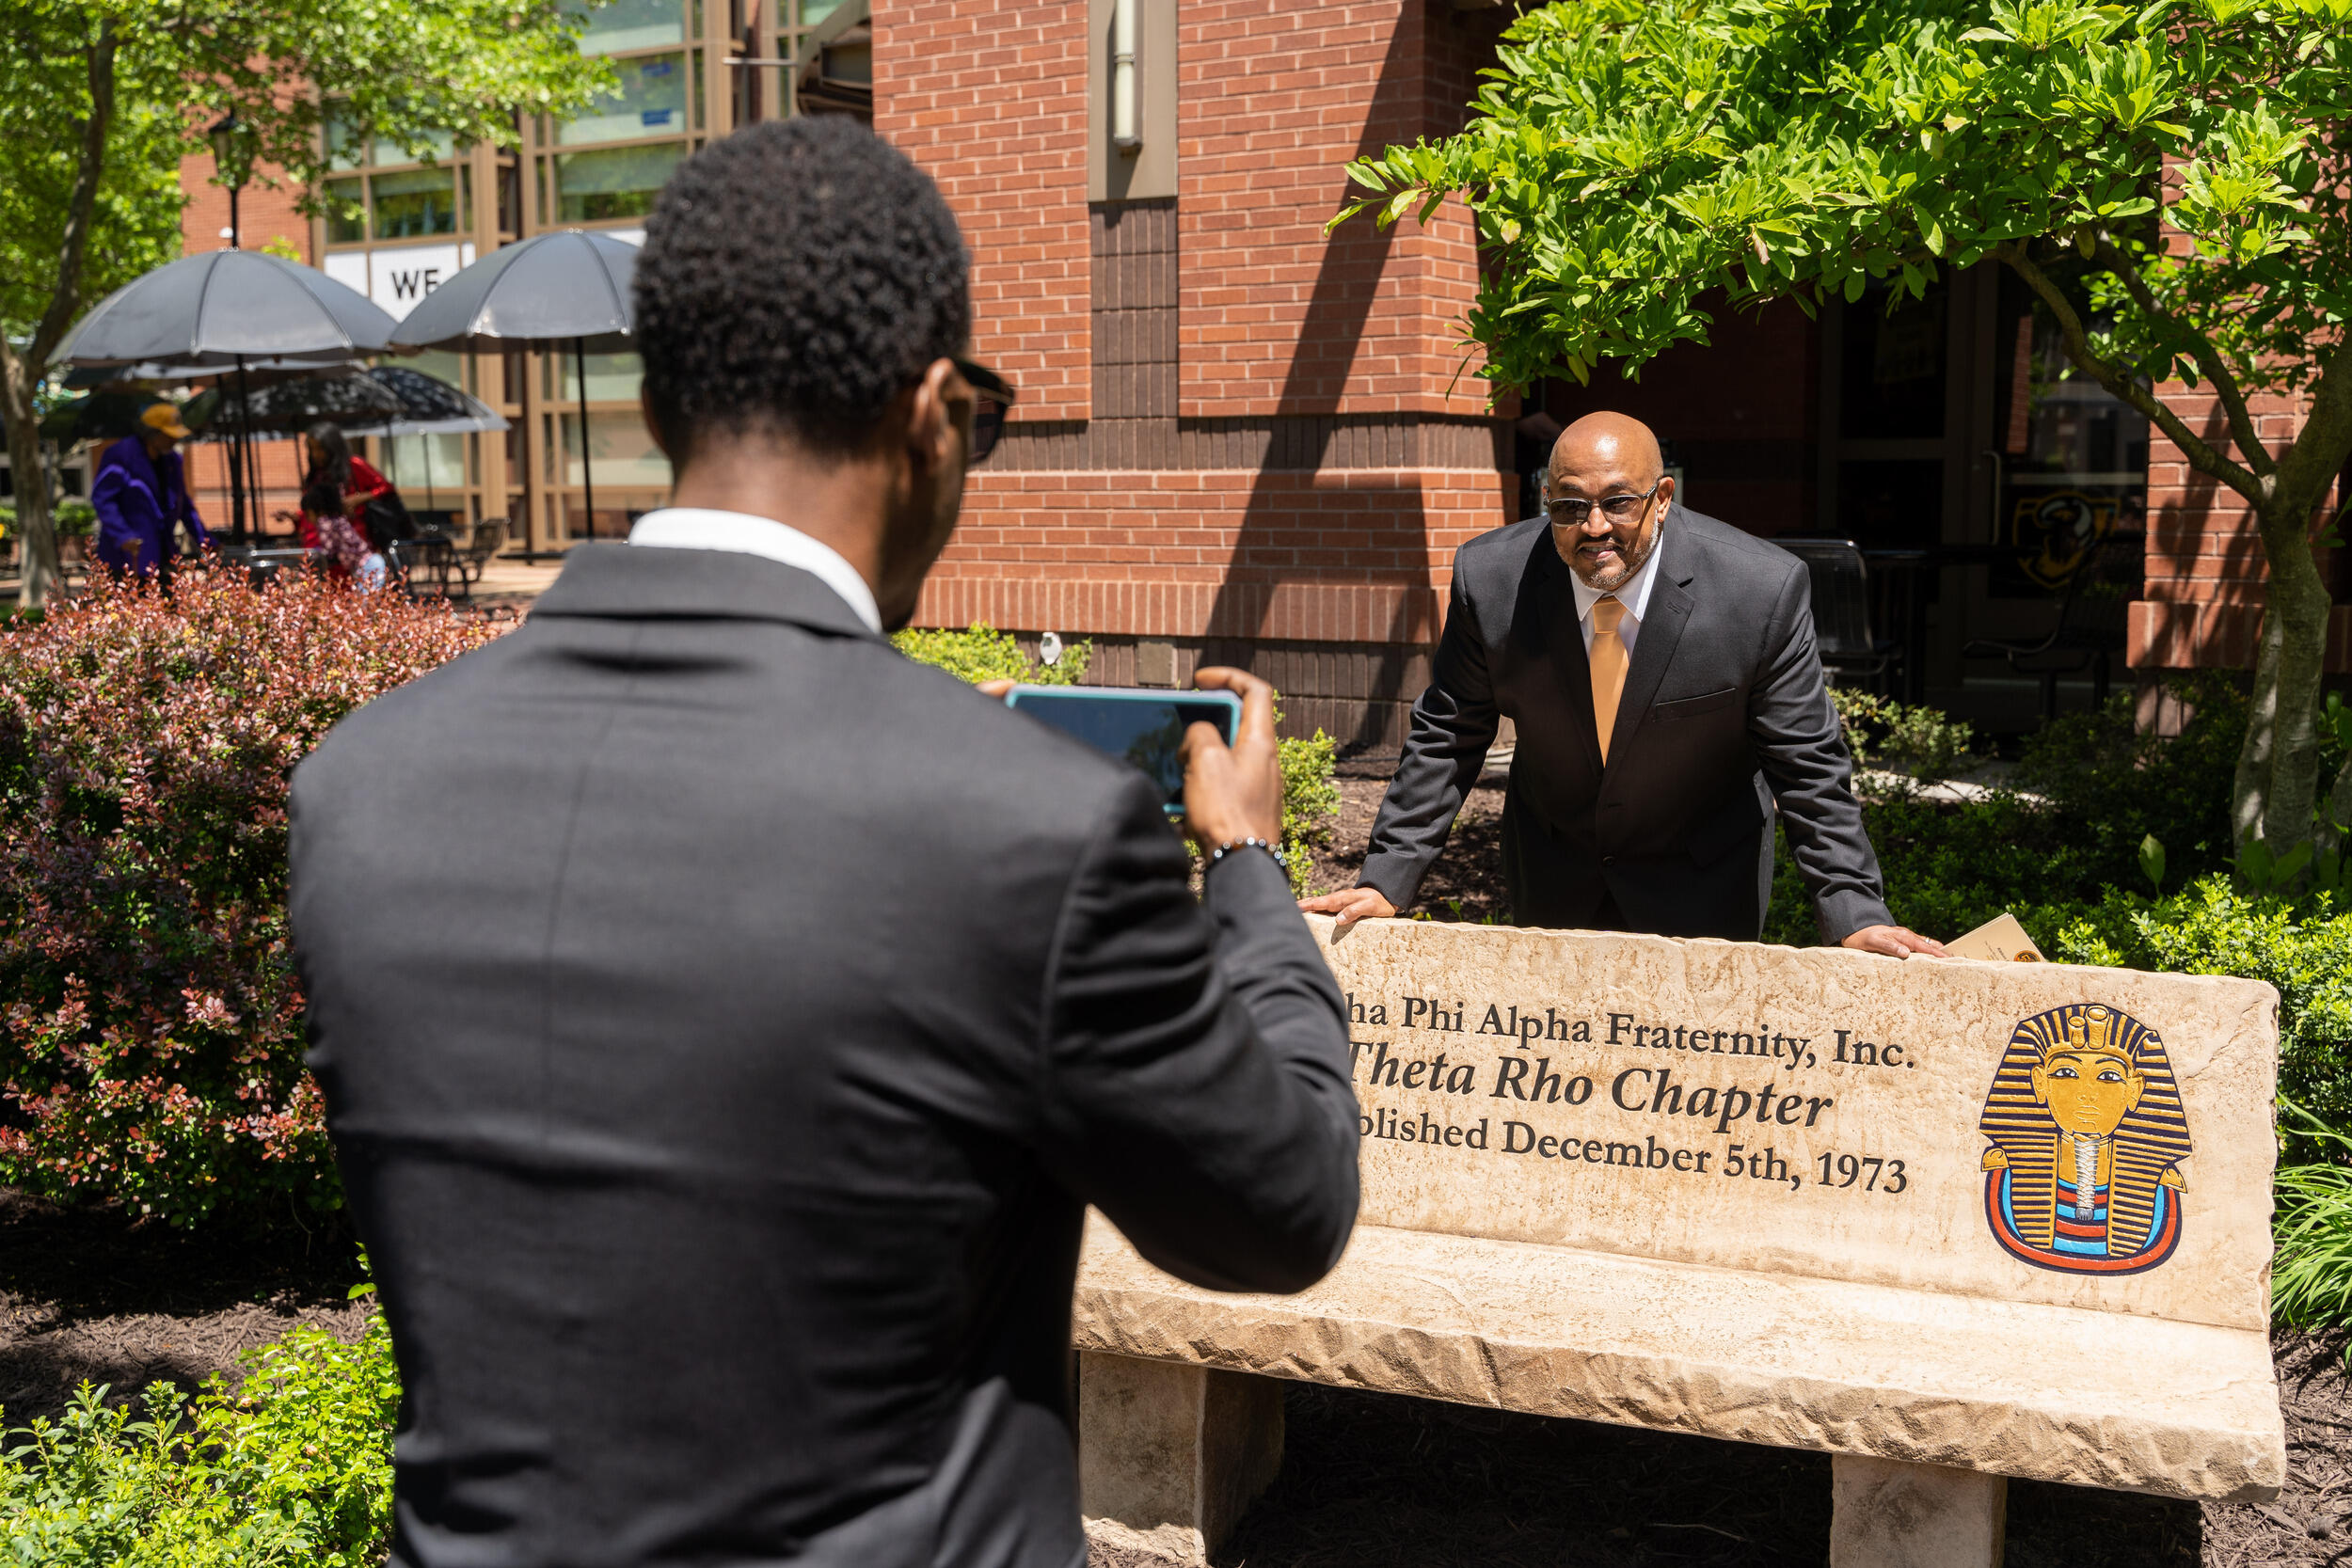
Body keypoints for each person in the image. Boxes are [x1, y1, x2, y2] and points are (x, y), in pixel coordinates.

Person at [287, 117, 1359, 1568]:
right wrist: (1245, 865)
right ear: (931, 411)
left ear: (665, 405)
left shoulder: (361, 784)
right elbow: (1281, 1206)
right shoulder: (1018, 824)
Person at [1303, 412, 1944, 958]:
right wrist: (1388, 878)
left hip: (1702, 884)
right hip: (1553, 878)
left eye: (1618, 501)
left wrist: (1855, 911)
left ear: (1663, 497)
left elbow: (1806, 765)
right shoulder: (1491, 580)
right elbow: (1449, 732)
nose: (1594, 526)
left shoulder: (1760, 592)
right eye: (1570, 505)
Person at [90, 403, 211, 579]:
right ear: (152, 433)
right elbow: (103, 498)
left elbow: (183, 504)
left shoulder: (172, 460)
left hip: (164, 552)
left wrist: (205, 540)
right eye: (169, 435)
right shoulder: (121, 455)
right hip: (128, 557)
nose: (174, 440)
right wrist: (123, 534)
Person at [281, 421, 396, 551]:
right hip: (318, 546)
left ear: (332, 447)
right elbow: (315, 511)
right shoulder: (315, 476)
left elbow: (387, 488)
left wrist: (357, 499)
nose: (315, 454)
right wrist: (297, 516)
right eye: (312, 449)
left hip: (352, 544)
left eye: (319, 448)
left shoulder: (353, 465)